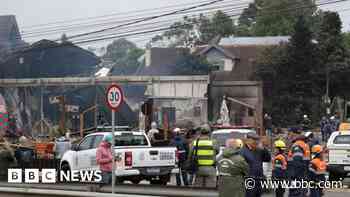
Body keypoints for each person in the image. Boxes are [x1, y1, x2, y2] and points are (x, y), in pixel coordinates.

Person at [240, 133, 271, 197]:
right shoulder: (243, 151)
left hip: (259, 180)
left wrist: (264, 149)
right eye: (254, 140)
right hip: (249, 180)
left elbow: (267, 159)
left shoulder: (259, 150)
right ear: (247, 140)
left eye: (257, 140)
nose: (256, 142)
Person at [287, 132, 310, 197]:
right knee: (301, 191)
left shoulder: (297, 145)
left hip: (295, 174)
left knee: (294, 192)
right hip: (302, 174)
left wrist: (295, 176)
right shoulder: (305, 145)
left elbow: (297, 161)